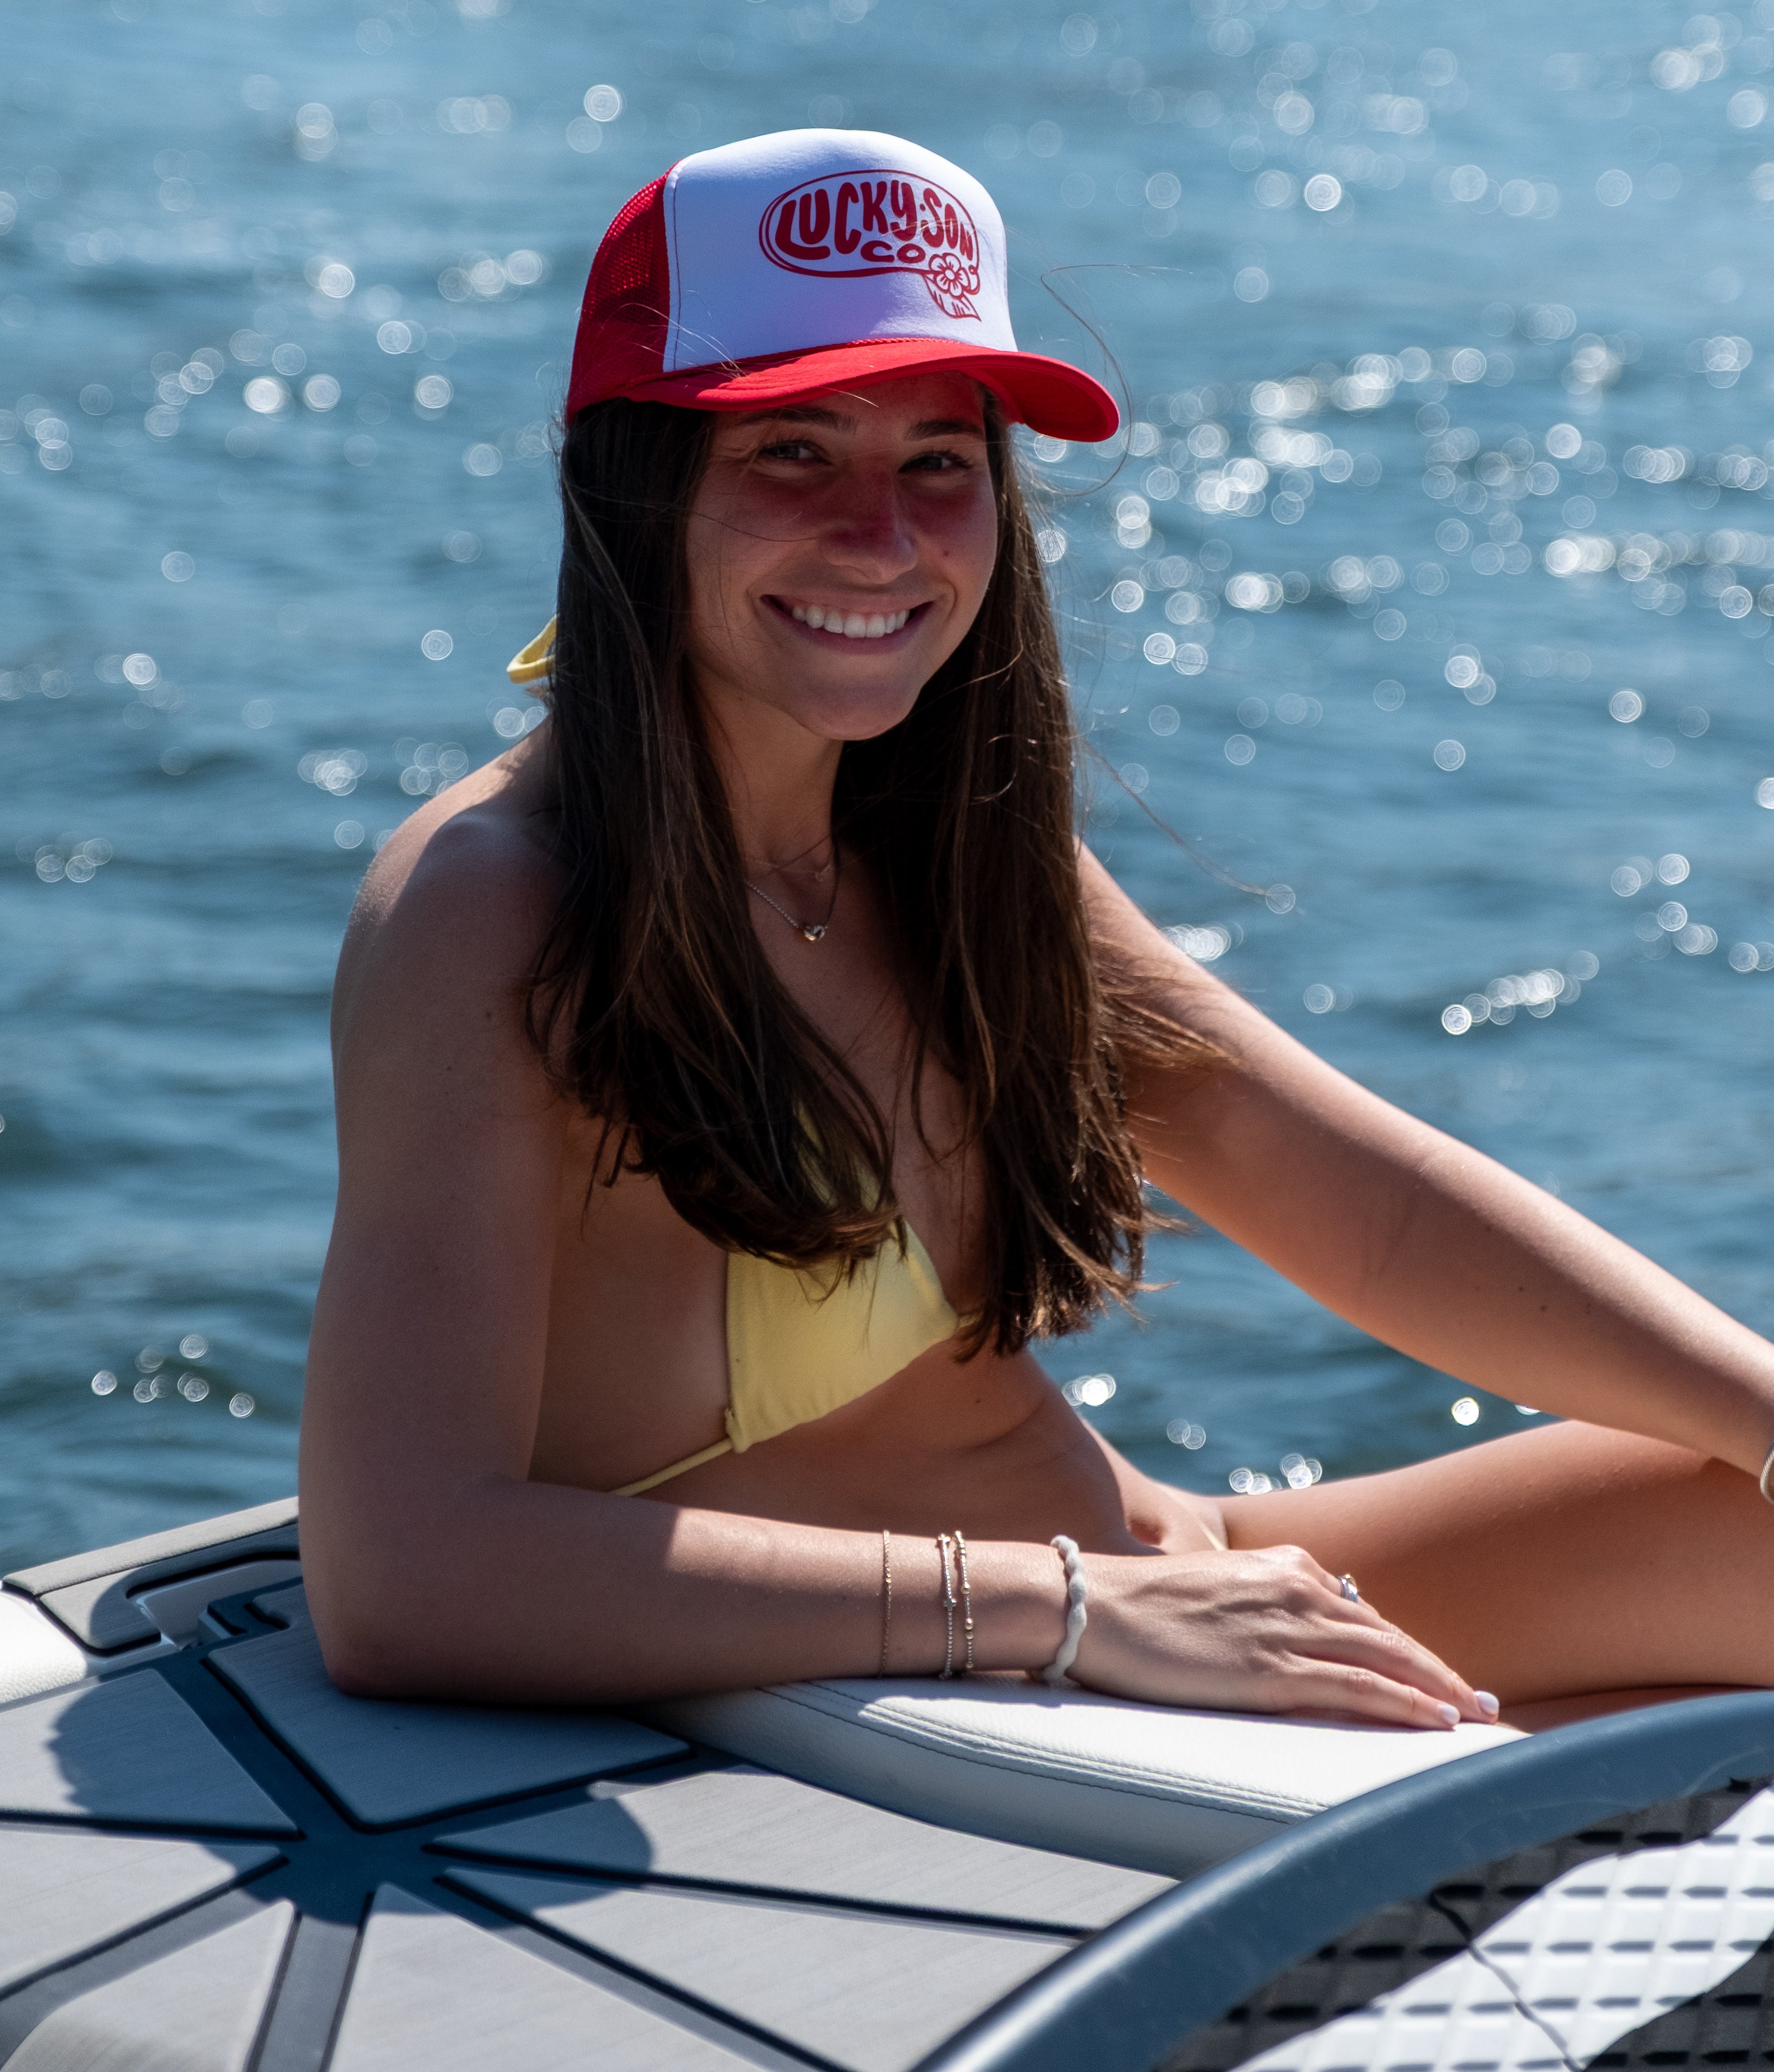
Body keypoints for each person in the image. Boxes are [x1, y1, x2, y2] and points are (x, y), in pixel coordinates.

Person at [302, 127, 1774, 1726]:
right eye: (792, 449)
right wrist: (1069, 1612)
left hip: (1186, 1601)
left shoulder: (943, 848)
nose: (883, 535)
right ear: (632, 481)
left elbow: (1371, 1210)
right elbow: (402, 1575)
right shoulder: (497, 910)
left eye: (940, 460)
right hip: (1012, 1711)